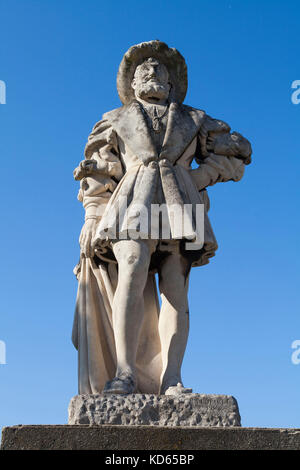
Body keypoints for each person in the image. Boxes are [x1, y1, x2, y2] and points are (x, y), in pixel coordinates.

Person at [72, 40, 252, 396]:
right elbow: (98, 173)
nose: (151, 72)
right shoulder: (114, 119)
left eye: (159, 70)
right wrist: (93, 215)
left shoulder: (195, 119)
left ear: (171, 85)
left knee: (175, 285)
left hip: (178, 203)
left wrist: (200, 178)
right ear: (133, 85)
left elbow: (239, 151)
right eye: (143, 70)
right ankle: (124, 372)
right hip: (132, 201)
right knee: (133, 266)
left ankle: (172, 378)